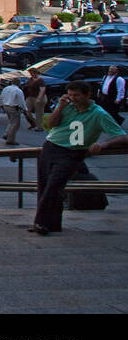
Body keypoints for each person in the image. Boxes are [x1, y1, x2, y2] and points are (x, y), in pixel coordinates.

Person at [30, 80, 128, 235]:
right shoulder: (67, 107)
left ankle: (41, 222)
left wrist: (103, 144)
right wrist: (60, 107)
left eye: (77, 95)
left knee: (54, 186)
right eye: (70, 95)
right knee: (44, 185)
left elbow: (121, 136)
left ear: (87, 95)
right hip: (51, 146)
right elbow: (50, 124)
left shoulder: (98, 114)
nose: (73, 98)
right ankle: (52, 224)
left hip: (72, 152)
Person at [0, 75, 28, 145]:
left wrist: (1, 105)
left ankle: (7, 133)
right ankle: (10, 139)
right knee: (15, 124)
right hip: (14, 107)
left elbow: (1, 97)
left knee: (11, 121)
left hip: (6, 106)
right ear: (19, 83)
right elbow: (21, 102)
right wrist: (25, 109)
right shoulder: (18, 91)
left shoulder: (6, 88)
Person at [24, 68, 47, 132]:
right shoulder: (30, 79)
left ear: (36, 73)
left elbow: (42, 90)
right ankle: (33, 123)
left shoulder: (40, 80)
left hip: (39, 98)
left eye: (32, 73)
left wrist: (39, 98)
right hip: (30, 97)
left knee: (39, 113)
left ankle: (39, 127)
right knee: (26, 111)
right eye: (30, 73)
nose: (31, 74)